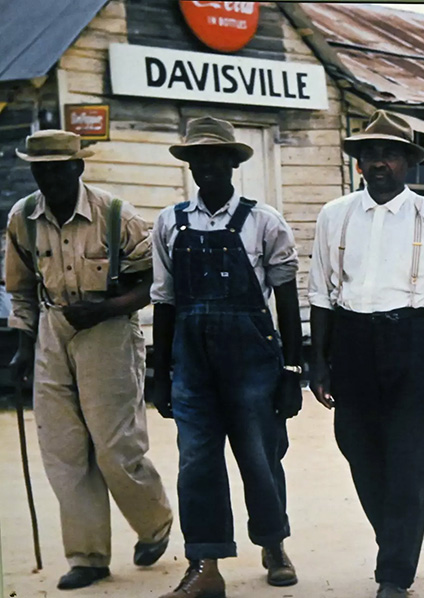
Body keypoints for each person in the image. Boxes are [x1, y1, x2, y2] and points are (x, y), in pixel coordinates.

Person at [307, 110, 424, 598]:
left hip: (416, 340)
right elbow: (321, 293)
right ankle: (396, 542)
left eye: (389, 153)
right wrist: (319, 362)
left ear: (407, 162)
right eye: (369, 154)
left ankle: (394, 574)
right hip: (353, 342)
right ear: (359, 162)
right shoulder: (334, 216)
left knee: (411, 458)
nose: (378, 162)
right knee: (359, 450)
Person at [6, 129, 173, 590]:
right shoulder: (23, 218)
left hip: (108, 330)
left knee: (115, 446)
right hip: (52, 330)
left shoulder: (117, 215)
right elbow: (21, 289)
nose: (50, 178)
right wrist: (24, 346)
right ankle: (88, 556)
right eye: (41, 169)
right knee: (63, 451)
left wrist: (107, 309)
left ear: (79, 167)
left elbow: (156, 283)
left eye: (59, 168)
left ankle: (155, 523)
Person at [151, 116, 303, 597]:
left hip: (252, 362)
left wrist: (292, 371)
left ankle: (273, 542)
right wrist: (161, 374)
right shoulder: (170, 222)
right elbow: (164, 299)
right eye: (199, 159)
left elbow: (288, 298)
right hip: (191, 364)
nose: (208, 166)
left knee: (260, 455)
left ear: (234, 164)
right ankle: (204, 563)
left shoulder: (264, 221)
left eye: (217, 157)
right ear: (191, 166)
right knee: (196, 460)